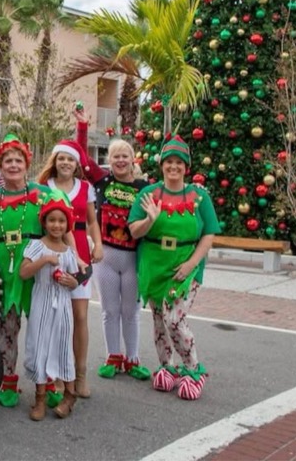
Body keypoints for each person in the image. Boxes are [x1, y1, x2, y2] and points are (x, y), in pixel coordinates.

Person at [0, 133, 67, 408]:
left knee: (43, 328)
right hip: (3, 271)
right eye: (7, 161)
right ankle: (8, 382)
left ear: (27, 164)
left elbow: (64, 225)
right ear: (0, 166)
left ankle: (46, 382)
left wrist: (77, 258)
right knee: (7, 327)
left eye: (18, 160)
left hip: (37, 269)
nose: (13, 165)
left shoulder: (44, 194)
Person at [128, 135, 221, 401]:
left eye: (178, 162)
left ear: (186, 166)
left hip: (186, 266)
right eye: (169, 161)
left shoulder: (199, 196)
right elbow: (134, 231)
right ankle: (166, 366)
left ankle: (193, 368)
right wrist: (149, 219)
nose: (173, 167)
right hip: (154, 264)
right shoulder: (148, 194)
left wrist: (192, 263)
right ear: (162, 165)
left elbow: (209, 234)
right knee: (159, 319)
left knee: (174, 318)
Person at [74, 109, 150, 382]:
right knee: (110, 311)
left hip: (132, 258)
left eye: (124, 156)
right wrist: (82, 125)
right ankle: (112, 357)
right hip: (106, 256)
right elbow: (81, 158)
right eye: (115, 156)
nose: (119, 160)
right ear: (110, 160)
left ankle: (132, 359)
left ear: (133, 160)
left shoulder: (145, 187)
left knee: (131, 312)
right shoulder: (102, 181)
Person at [36, 138, 102, 398]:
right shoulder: (44, 187)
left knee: (80, 318)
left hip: (80, 257)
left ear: (77, 164)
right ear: (55, 161)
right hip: (54, 256)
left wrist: (98, 245)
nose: (65, 162)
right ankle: (59, 375)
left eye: (70, 159)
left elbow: (92, 221)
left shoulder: (86, 188)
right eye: (61, 157)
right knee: (56, 320)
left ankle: (81, 374)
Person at [20, 198, 80, 420]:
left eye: (62, 221)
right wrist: (44, 259)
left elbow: (75, 280)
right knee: (39, 346)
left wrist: (72, 283)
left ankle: (69, 395)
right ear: (44, 222)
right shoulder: (37, 246)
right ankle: (40, 398)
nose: (57, 225)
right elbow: (24, 272)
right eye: (52, 220)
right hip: (42, 302)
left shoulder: (68, 251)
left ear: (67, 224)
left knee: (63, 346)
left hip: (62, 305)